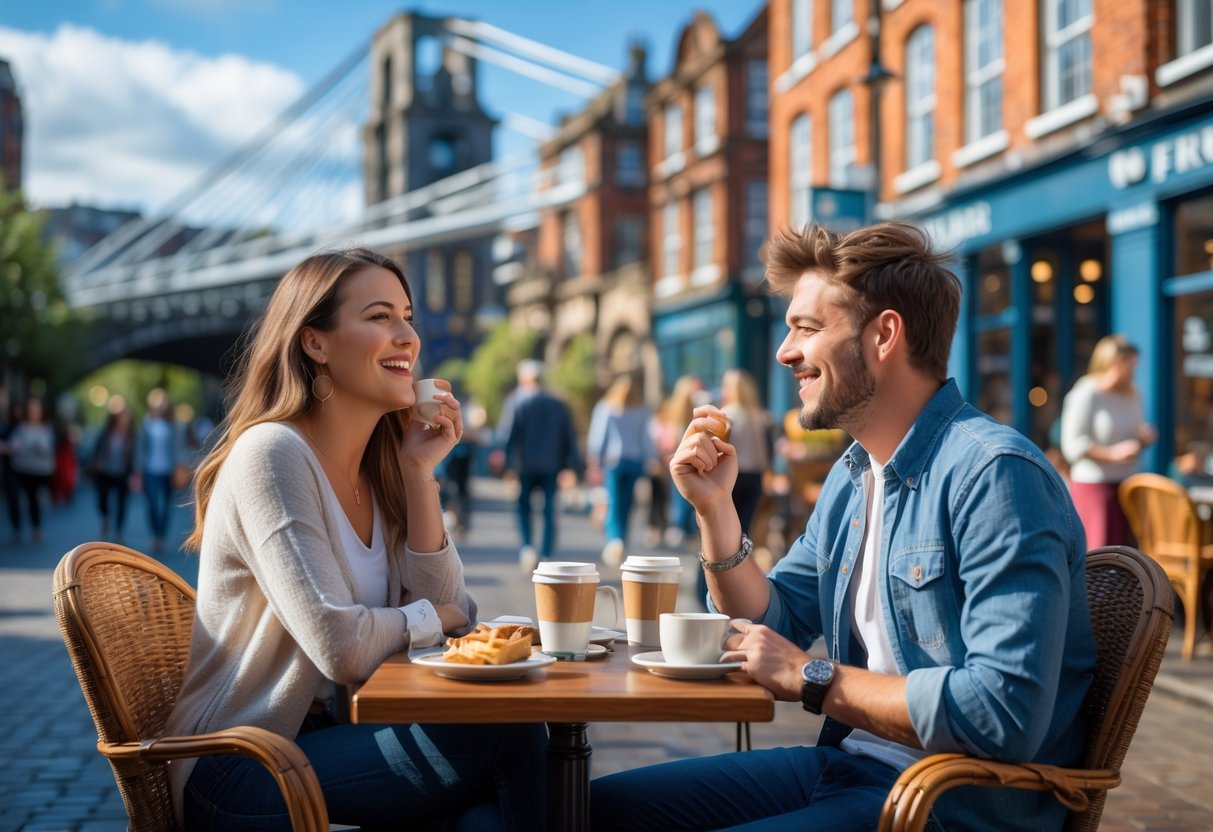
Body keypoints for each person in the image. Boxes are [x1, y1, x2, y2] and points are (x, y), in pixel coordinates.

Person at [591, 222, 1097, 832]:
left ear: (884, 335)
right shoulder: (854, 474)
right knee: (586, 808)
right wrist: (715, 511)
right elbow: (773, 622)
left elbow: (1001, 713)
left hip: (946, 803)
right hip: (847, 766)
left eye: (806, 327)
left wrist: (813, 677)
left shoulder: (994, 475)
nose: (785, 352)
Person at [164, 248, 547, 831]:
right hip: (244, 763)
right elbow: (339, 645)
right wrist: (434, 616)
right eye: (379, 317)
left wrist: (421, 476)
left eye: (408, 316)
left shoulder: (383, 466)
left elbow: (458, 614)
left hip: (341, 738)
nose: (407, 337)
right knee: (508, 731)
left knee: (486, 817)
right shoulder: (271, 454)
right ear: (315, 343)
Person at [1060, 334, 1156, 549]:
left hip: (1128, 486)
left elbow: (1136, 430)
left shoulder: (1133, 394)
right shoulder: (1086, 393)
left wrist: (1143, 438)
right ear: (1116, 363)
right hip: (1096, 487)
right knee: (1100, 553)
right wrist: (1112, 454)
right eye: (1131, 365)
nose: (1134, 372)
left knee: (1130, 554)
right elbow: (1072, 445)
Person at [495, 358, 580, 572]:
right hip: (552, 465)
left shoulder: (518, 402)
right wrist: (572, 467)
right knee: (549, 509)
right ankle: (547, 552)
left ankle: (527, 547)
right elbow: (568, 438)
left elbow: (508, 436)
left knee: (524, 507)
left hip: (525, 466)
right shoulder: (558, 404)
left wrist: (507, 466)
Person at [586, 374, 652, 567]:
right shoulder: (641, 410)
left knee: (613, 500)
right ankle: (621, 539)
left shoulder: (607, 408)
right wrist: (649, 459)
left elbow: (598, 436)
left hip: (614, 461)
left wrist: (594, 459)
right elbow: (645, 439)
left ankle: (615, 539)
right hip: (635, 461)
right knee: (627, 503)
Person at [133, 390, 180, 553]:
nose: (160, 408)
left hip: (168, 470)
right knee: (153, 503)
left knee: (167, 505)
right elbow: (140, 448)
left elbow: (177, 447)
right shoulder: (146, 423)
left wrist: (180, 466)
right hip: (150, 470)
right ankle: (155, 535)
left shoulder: (171, 424)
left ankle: (161, 535)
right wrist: (138, 470)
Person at [5, 397, 55, 544]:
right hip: (21, 467)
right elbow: (14, 444)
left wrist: (40, 448)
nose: (34, 412)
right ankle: (17, 528)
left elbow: (49, 449)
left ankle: (36, 527)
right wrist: (13, 447)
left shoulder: (46, 428)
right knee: (14, 497)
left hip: (39, 470)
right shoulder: (21, 427)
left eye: (36, 409)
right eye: (31, 409)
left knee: (34, 499)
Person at [91, 405, 136, 541]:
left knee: (122, 502)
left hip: (123, 473)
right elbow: (97, 449)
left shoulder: (132, 435)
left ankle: (118, 531)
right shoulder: (106, 433)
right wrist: (98, 461)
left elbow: (136, 454)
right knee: (102, 499)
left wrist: (135, 472)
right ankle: (105, 518)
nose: (124, 419)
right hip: (105, 472)